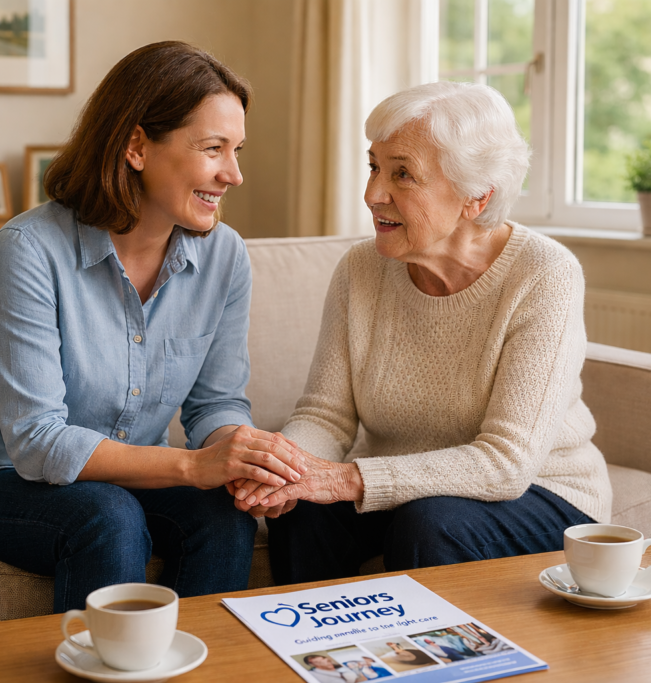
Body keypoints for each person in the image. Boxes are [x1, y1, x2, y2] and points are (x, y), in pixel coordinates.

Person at [0, 41, 307, 613]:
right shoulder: (29, 249)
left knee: (224, 511)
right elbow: (37, 441)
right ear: (136, 146)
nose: (234, 174)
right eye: (213, 149)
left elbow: (215, 402)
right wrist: (194, 466)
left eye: (237, 150)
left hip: (120, 479)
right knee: (107, 516)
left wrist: (241, 459)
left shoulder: (225, 256)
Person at [234, 80, 612, 582]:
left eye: (402, 175)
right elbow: (326, 416)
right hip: (409, 486)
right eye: (374, 166)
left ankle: (437, 659)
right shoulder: (360, 269)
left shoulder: (544, 275)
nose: (372, 194)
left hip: (539, 491)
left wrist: (348, 479)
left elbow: (507, 462)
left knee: (429, 522)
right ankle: (312, 651)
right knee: (305, 502)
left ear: (476, 198)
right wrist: (285, 471)